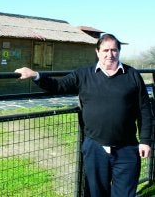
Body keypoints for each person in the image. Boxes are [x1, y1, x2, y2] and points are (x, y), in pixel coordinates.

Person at [14, 33, 153, 197]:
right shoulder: (83, 75)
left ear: (119, 52)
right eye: (105, 50)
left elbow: (145, 110)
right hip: (95, 148)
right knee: (95, 193)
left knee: (125, 194)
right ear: (97, 52)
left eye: (114, 50)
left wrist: (145, 141)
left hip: (127, 149)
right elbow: (58, 86)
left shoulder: (132, 75)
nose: (110, 54)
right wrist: (35, 75)